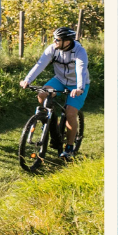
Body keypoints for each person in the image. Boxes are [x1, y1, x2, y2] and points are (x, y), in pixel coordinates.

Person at [21, 26, 89, 160]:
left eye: (57, 40)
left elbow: (81, 70)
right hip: (59, 80)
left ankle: (69, 148)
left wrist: (79, 88)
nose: (54, 41)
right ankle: (52, 122)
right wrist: (27, 80)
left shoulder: (80, 51)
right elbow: (40, 64)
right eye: (54, 39)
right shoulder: (53, 49)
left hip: (77, 84)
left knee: (70, 113)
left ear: (67, 41)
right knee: (42, 94)